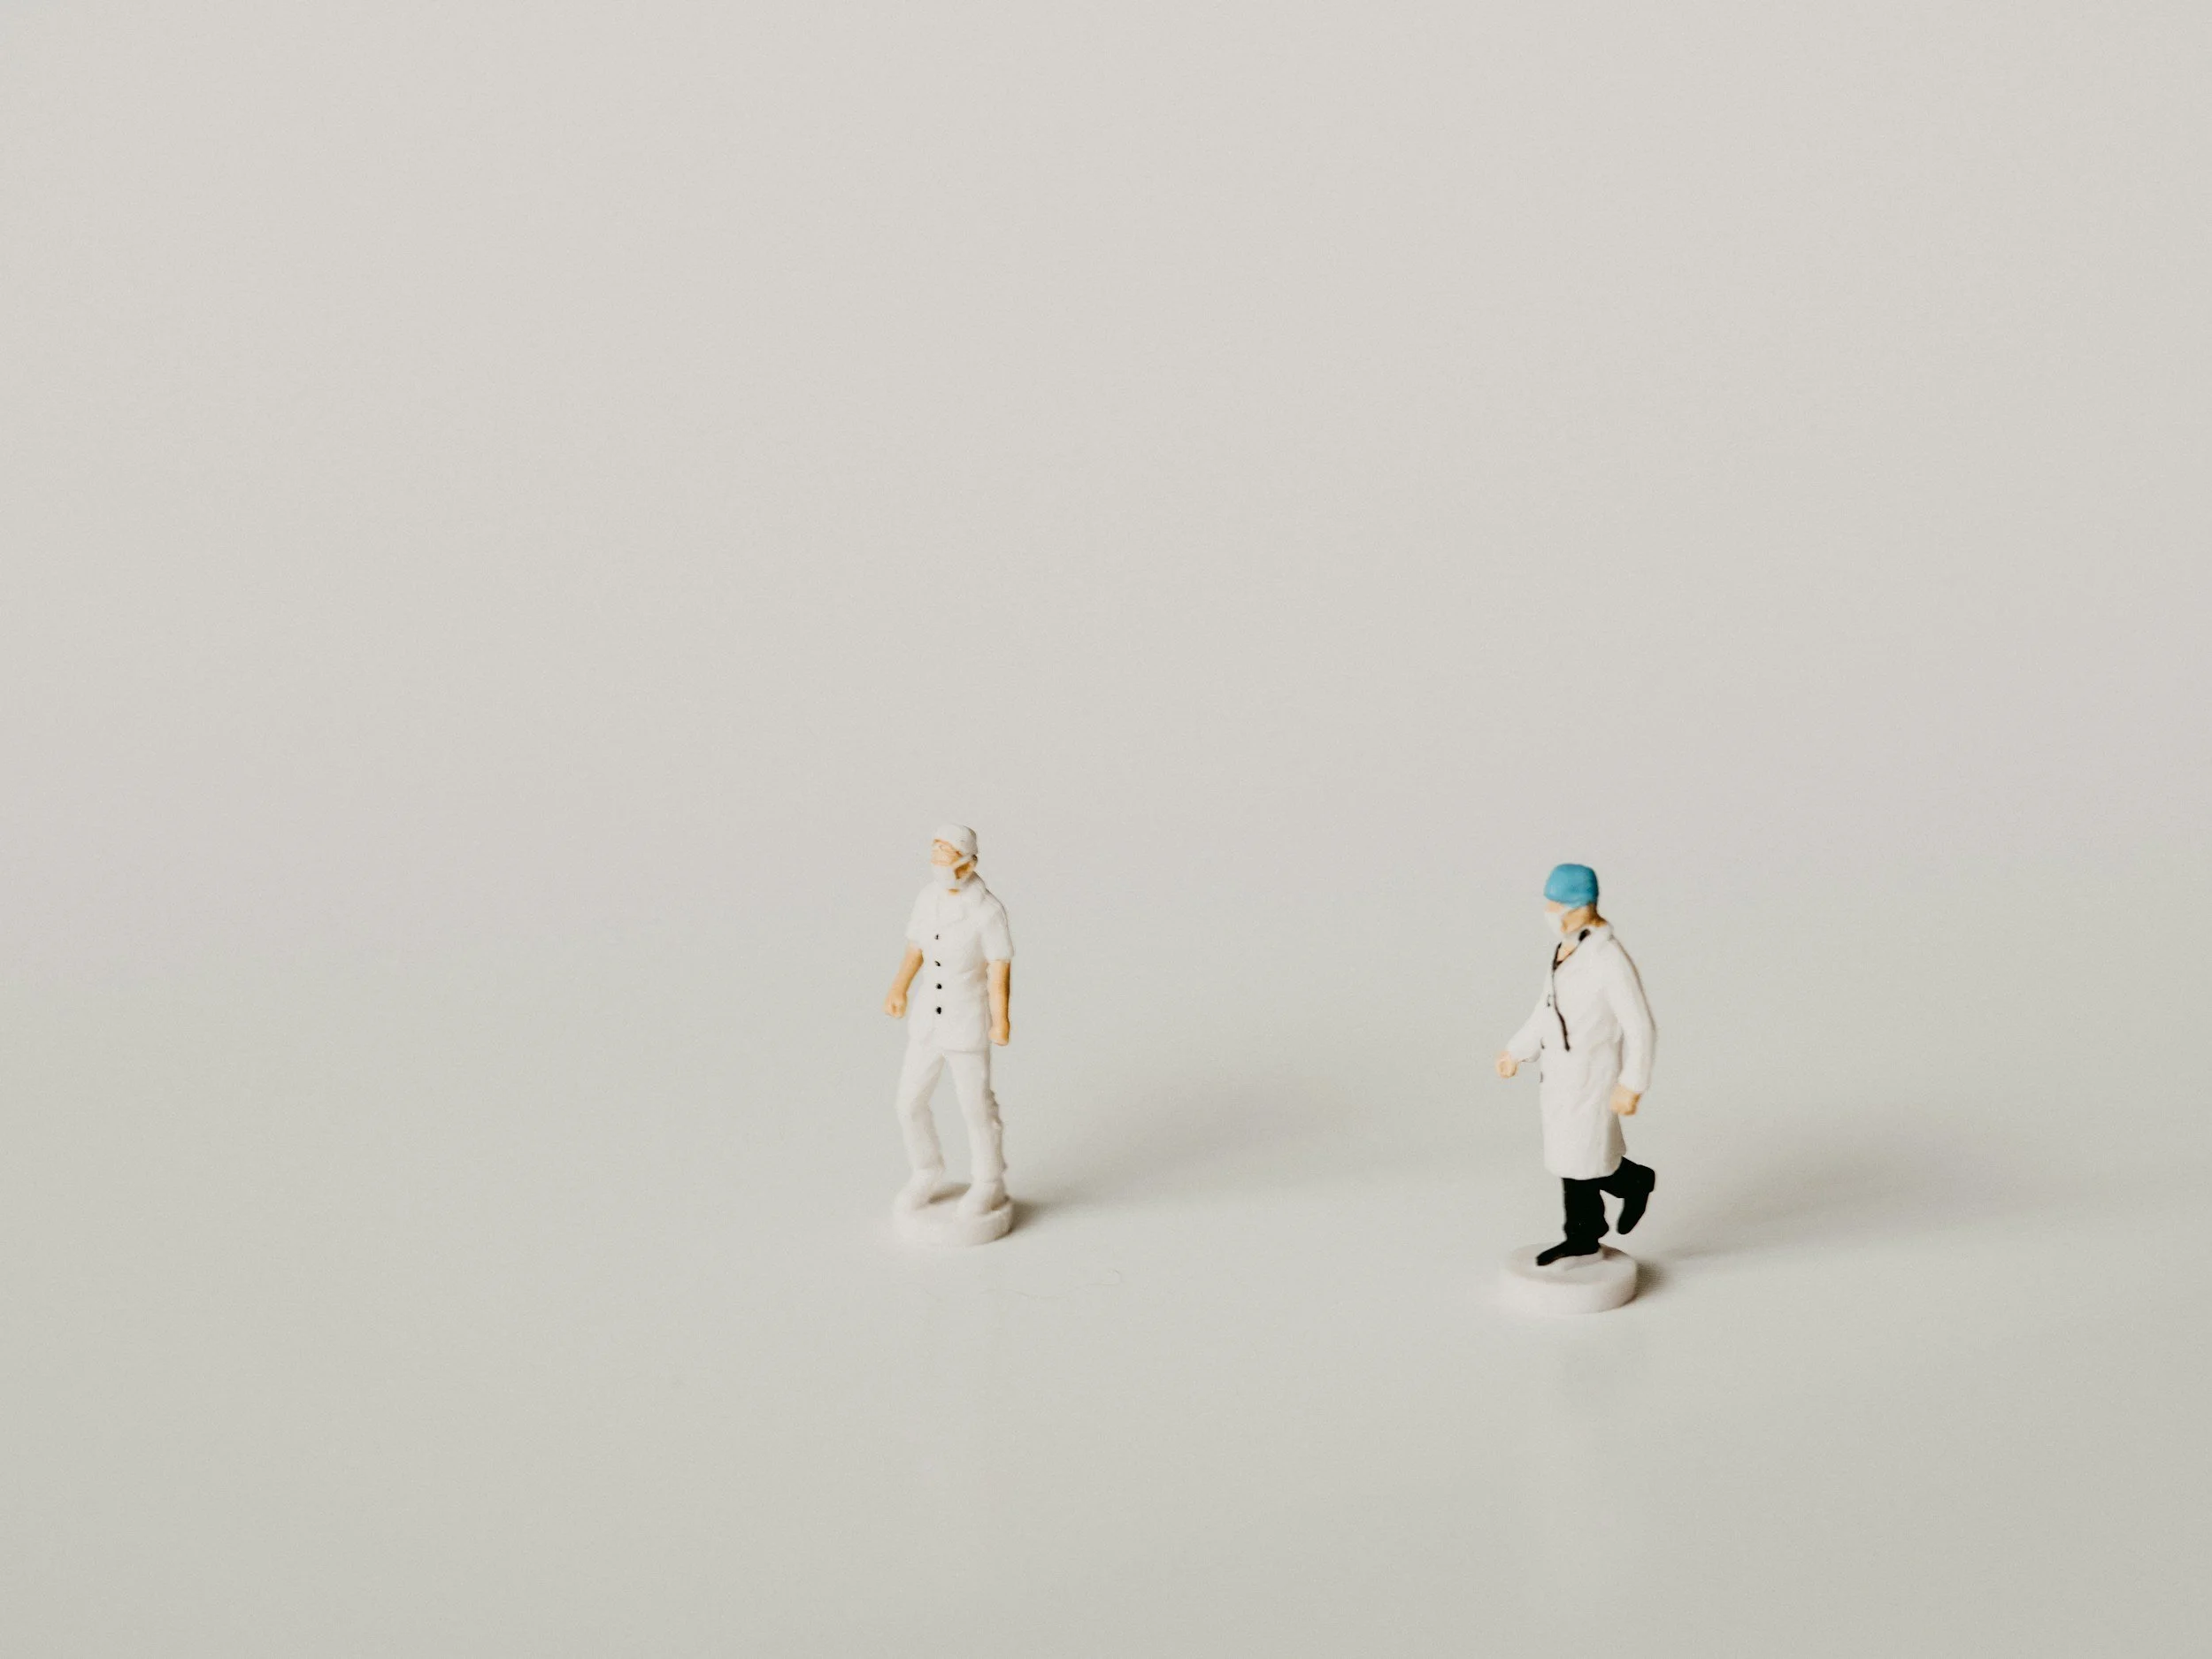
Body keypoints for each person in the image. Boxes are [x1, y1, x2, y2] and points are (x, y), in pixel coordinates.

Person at [1494, 864, 1657, 1264]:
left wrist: (1632, 1083)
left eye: (1556, 905)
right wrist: (1516, 1051)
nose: (1550, 913)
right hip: (1560, 1075)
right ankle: (1585, 1234)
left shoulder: (1608, 960)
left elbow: (1639, 1026)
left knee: (1586, 1155)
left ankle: (1631, 1185)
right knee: (1571, 1156)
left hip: (1593, 1077)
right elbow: (1546, 1009)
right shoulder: (1565, 950)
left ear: (1582, 908)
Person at [882, 825, 1014, 1218]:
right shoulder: (928, 898)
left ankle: (989, 1181)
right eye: (934, 855)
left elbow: (998, 969)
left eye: (945, 856)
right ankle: (926, 1170)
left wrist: (1001, 1020)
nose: (937, 863)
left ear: (967, 864)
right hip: (928, 1020)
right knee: (909, 1102)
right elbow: (915, 948)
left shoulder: (986, 911)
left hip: (966, 1021)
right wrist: (899, 988)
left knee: (975, 1107)